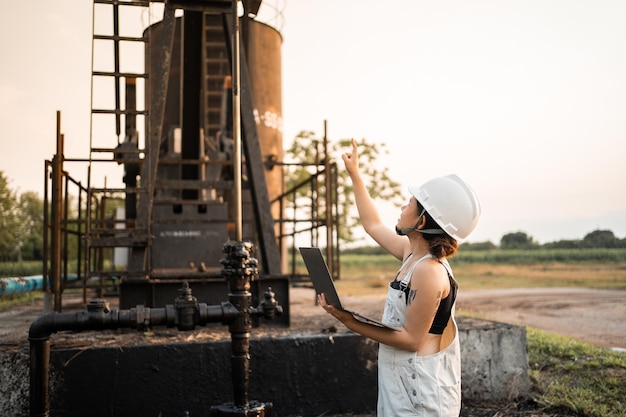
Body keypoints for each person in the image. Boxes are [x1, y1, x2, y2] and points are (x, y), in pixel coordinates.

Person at [317, 138, 481, 416]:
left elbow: (410, 340)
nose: (402, 208)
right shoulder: (412, 255)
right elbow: (372, 224)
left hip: (421, 399)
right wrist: (355, 174)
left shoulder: (429, 271)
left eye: (409, 204)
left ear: (422, 221)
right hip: (405, 386)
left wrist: (349, 321)